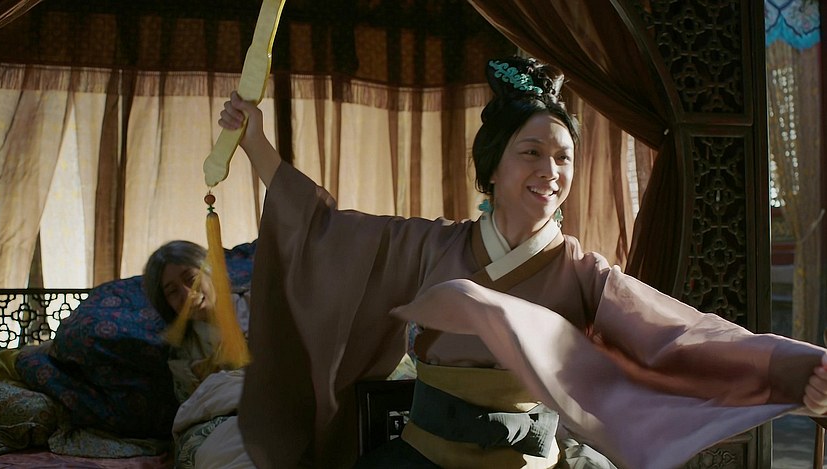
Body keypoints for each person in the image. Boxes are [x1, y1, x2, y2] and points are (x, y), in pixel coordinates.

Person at [219, 56, 827, 469]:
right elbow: (328, 230)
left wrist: (802, 378)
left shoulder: (585, 274)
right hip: (426, 457)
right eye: (531, 152)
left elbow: (680, 339)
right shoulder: (432, 247)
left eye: (563, 158)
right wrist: (256, 143)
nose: (550, 171)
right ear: (492, 166)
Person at [142, 240, 254, 469]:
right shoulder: (182, 353)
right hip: (225, 424)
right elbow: (194, 407)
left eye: (191, 279)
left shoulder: (257, 305)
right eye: (172, 292)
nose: (187, 293)